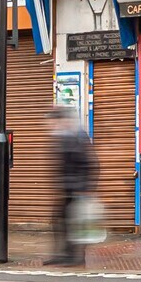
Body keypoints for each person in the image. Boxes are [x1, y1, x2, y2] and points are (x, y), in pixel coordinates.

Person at [48, 106, 96, 266]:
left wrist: (85, 188)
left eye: (54, 120)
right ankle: (63, 254)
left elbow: (89, 163)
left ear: (64, 120)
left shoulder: (77, 137)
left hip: (76, 189)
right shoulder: (64, 136)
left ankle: (76, 256)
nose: (51, 124)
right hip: (67, 189)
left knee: (76, 223)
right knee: (60, 221)